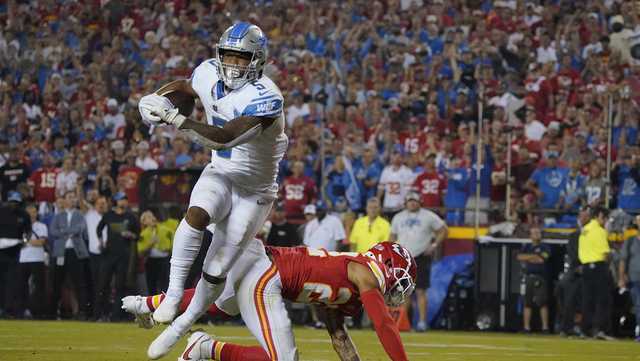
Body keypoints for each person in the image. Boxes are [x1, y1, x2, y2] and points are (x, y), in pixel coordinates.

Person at [138, 22, 287, 358]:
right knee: (195, 215)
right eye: (229, 56)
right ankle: (174, 293)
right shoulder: (207, 71)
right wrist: (157, 100)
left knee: (216, 268)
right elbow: (188, 89)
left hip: (255, 191)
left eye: (241, 58)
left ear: (257, 60)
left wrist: (174, 119)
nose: (233, 64)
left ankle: (182, 325)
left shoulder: (267, 97)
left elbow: (226, 136)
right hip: (220, 171)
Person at [123, 241, 416, 361]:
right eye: (401, 278)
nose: (398, 288)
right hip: (269, 273)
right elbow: (383, 325)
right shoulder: (363, 273)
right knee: (282, 358)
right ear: (387, 264)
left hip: (262, 268)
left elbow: (338, 337)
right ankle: (205, 348)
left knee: (211, 302)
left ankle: (146, 304)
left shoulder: (349, 284)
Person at [390, 191, 447, 332]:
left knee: (421, 290)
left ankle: (422, 322)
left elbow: (443, 230)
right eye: (410, 200)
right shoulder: (398, 217)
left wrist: (434, 245)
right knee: (404, 291)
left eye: (415, 200)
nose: (412, 203)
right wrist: (391, 252)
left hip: (421, 256)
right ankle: (404, 322)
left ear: (420, 202)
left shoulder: (428, 216)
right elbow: (392, 235)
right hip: (403, 257)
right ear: (406, 202)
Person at [94, 192, 139, 321]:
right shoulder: (109, 215)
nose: (123, 202)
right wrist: (101, 241)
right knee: (102, 284)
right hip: (108, 254)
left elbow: (137, 235)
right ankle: (98, 315)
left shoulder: (131, 217)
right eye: (121, 200)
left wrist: (131, 235)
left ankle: (116, 316)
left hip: (123, 257)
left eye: (125, 199)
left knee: (120, 287)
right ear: (116, 202)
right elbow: (99, 229)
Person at [49, 191, 91, 319]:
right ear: (65, 200)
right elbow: (53, 232)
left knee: (79, 283)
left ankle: (83, 312)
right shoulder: (58, 216)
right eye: (70, 197)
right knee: (56, 283)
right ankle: (52, 312)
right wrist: (70, 232)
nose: (72, 200)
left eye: (74, 197)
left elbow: (80, 229)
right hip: (61, 253)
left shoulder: (80, 215)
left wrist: (63, 232)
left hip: (76, 253)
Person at [578, 206, 614, 340]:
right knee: (602, 300)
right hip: (598, 267)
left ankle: (584, 330)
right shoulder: (599, 231)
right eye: (605, 218)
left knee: (587, 300)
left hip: (586, 267)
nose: (605, 221)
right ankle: (600, 330)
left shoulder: (585, 230)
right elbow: (605, 253)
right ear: (599, 216)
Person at [558, 207, 590, 337]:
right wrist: (580, 265)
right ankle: (566, 328)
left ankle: (584, 329)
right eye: (581, 217)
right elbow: (572, 253)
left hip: (589, 272)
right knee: (569, 300)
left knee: (586, 302)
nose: (583, 219)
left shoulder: (592, 235)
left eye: (585, 217)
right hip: (575, 271)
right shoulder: (574, 235)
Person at [0, 191, 31, 317]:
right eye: (12, 202)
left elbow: (28, 231)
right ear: (8, 201)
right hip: (0, 250)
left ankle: (8, 309)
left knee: (11, 281)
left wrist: (25, 241)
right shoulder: (1, 212)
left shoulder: (24, 214)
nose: (14, 205)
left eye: (16, 202)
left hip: (15, 251)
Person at [517, 226, 551, 333]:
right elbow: (519, 257)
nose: (537, 234)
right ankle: (526, 327)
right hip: (528, 277)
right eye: (534, 232)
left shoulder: (545, 247)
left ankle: (545, 327)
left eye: (538, 232)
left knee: (542, 303)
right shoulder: (526, 246)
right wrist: (533, 256)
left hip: (540, 278)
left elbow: (542, 259)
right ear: (530, 235)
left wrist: (529, 257)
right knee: (527, 303)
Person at [15, 203, 47, 318]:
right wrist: (27, 242)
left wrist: (25, 242)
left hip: (37, 259)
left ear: (36, 213)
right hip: (23, 259)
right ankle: (20, 311)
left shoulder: (42, 226)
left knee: (39, 287)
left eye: (33, 212)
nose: (31, 214)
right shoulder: (20, 226)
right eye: (28, 212)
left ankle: (38, 312)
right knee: (21, 286)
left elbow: (41, 242)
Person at [138, 210, 173, 296]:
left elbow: (172, 240)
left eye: (151, 216)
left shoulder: (166, 230)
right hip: (151, 261)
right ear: (144, 222)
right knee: (151, 285)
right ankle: (152, 306)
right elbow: (140, 251)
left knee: (164, 285)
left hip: (164, 260)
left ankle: (163, 304)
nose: (151, 219)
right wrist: (150, 244)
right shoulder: (143, 234)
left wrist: (170, 249)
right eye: (147, 218)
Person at [618, 214, 640, 342]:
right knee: (638, 305)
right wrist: (621, 277)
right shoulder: (630, 241)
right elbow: (623, 260)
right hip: (635, 279)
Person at [378, 151, 415, 219]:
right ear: (391, 158)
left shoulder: (407, 172)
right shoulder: (386, 170)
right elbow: (381, 188)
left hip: (400, 206)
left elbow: (409, 192)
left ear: (403, 158)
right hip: (387, 204)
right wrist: (378, 201)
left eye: (399, 157)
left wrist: (405, 204)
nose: (396, 158)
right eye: (394, 156)